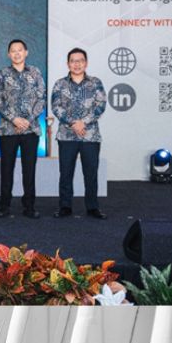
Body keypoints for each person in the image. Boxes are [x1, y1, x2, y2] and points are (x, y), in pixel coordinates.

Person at [51, 47, 108, 220]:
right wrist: (73, 123)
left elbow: (100, 105)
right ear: (68, 63)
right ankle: (65, 207)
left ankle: (92, 208)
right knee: (66, 173)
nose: (77, 64)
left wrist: (83, 122)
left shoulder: (95, 83)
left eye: (80, 60)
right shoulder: (60, 84)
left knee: (91, 173)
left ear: (86, 63)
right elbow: (56, 107)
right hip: (67, 136)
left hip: (90, 136)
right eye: (73, 61)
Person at [0, 39, 46, 219]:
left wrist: (27, 120)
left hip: (30, 131)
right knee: (6, 169)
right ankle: (4, 206)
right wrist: (14, 118)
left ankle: (29, 206)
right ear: (9, 54)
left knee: (29, 170)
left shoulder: (36, 72)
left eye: (20, 50)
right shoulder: (2, 74)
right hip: (8, 130)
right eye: (13, 51)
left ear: (26, 52)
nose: (16, 53)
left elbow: (41, 99)